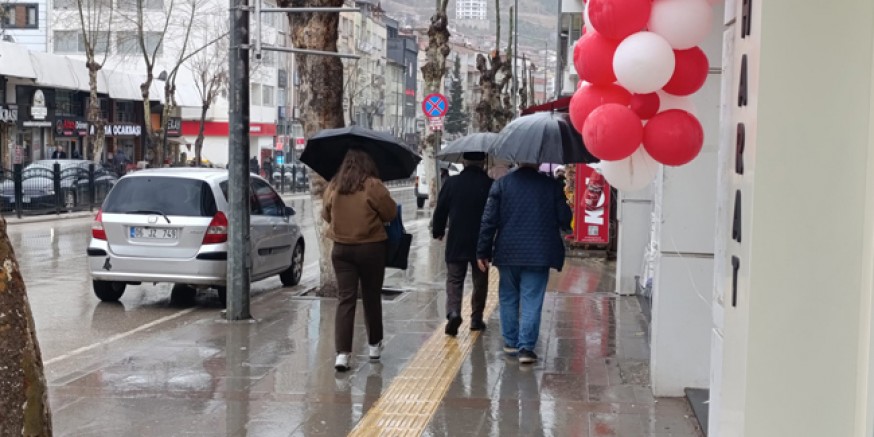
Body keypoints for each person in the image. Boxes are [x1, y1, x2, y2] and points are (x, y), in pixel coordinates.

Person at [476, 162, 572, 364]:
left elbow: (488, 221)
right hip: (539, 252)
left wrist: (482, 251)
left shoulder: (501, 185)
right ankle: (526, 348)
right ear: (537, 161)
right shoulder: (550, 186)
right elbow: (565, 219)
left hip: (508, 252)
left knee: (508, 297)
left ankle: (510, 342)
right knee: (532, 299)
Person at [322, 149, 397, 372]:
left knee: (346, 299)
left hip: (341, 250)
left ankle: (342, 354)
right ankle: (374, 346)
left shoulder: (334, 185)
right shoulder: (372, 185)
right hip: (371, 248)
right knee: (372, 297)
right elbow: (390, 213)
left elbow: (326, 215)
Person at [432, 152, 493, 336]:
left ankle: (454, 312)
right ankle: (476, 319)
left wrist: (438, 230)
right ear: (483, 162)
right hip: (481, 241)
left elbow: (441, 209)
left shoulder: (451, 183)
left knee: (454, 279)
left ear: (464, 162)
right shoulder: (490, 184)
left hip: (457, 239)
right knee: (480, 281)